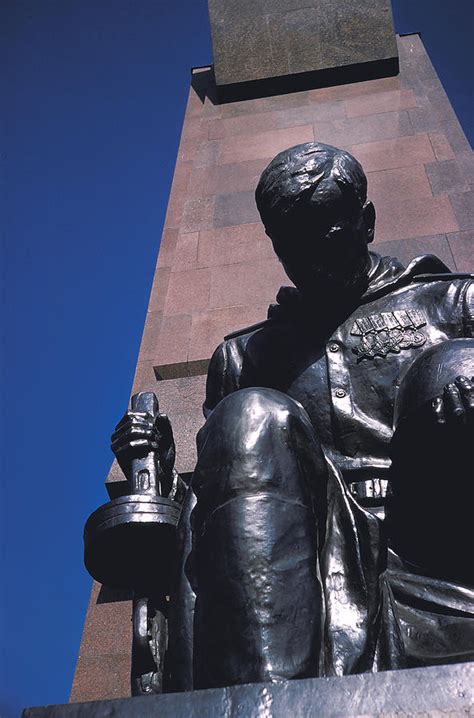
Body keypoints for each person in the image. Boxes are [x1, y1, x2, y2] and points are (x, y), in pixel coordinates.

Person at [112, 143, 474, 691]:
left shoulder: (456, 303)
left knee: (455, 363)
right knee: (251, 413)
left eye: (328, 240)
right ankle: (270, 700)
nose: (316, 266)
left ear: (367, 221)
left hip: (436, 535)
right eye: (294, 251)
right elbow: (218, 513)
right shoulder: (245, 358)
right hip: (300, 559)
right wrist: (158, 475)